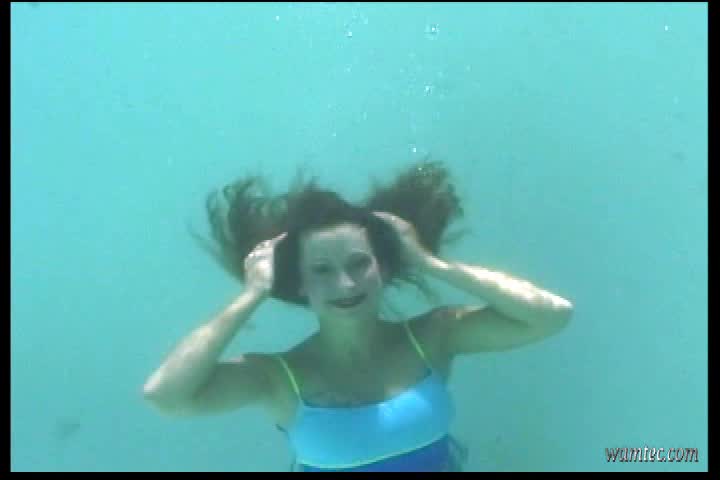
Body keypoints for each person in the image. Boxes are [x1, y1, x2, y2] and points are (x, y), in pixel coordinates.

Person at [142, 159, 573, 472]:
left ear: (382, 267)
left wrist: (431, 264)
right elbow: (166, 395)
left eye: (358, 264)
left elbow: (551, 315)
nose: (346, 285)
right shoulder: (277, 378)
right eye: (322, 271)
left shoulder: (433, 336)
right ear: (299, 284)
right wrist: (253, 294)